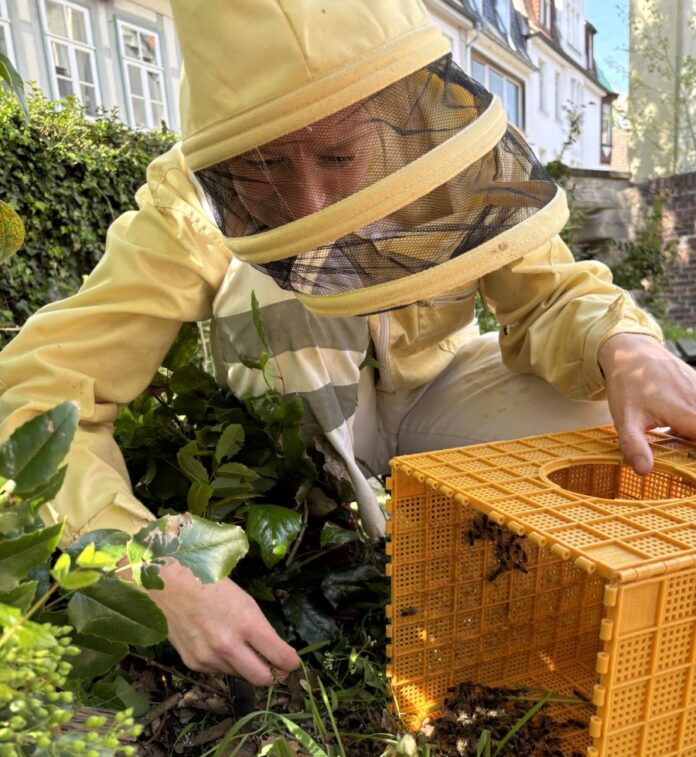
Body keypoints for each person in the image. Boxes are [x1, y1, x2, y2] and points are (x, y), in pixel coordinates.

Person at [1, 0, 694, 687]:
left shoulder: (448, 165)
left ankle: (449, 538)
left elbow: (555, 294)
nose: (309, 203)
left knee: (610, 417)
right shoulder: (185, 205)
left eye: (339, 154)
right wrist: (154, 571)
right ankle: (356, 553)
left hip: (439, 392)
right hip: (303, 451)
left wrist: (629, 348)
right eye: (265, 166)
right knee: (269, 286)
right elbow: (38, 391)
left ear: (397, 118)